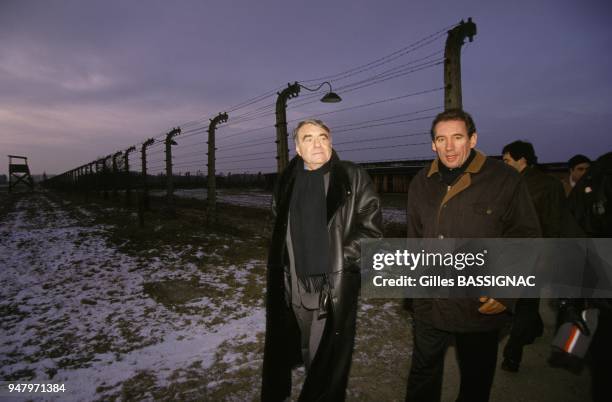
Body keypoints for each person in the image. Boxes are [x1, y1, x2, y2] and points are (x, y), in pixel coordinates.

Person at [405, 109, 540, 402]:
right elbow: (414, 239)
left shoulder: (503, 179)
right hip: (430, 301)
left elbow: (525, 237)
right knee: (422, 375)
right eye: (441, 139)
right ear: (433, 144)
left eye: (457, 137)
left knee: (475, 382)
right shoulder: (421, 182)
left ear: (473, 139)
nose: (449, 147)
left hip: (477, 305)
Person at [261, 119, 383, 401]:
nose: (317, 144)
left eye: (323, 137)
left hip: (333, 286)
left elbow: (372, 231)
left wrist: (339, 257)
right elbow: (278, 226)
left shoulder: (351, 177)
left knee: (326, 363)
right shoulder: (286, 182)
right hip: (294, 286)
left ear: (331, 142)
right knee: (307, 351)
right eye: (308, 138)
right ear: (297, 147)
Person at [501, 140, 566, 371]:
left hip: (535, 256)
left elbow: (555, 224)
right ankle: (535, 328)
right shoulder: (509, 183)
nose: (504, 165)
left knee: (526, 303)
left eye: (507, 160)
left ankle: (512, 354)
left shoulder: (548, 186)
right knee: (524, 302)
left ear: (522, 160)